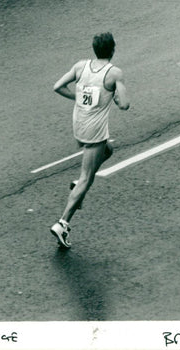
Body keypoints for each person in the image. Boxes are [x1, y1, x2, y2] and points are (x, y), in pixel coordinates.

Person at [50, 32, 130, 248]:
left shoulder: (80, 66)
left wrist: (77, 96)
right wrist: (113, 95)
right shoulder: (114, 73)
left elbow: (57, 86)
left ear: (94, 49)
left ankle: (79, 184)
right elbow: (124, 105)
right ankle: (63, 222)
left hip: (79, 123)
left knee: (108, 151)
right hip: (95, 129)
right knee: (87, 178)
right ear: (112, 50)